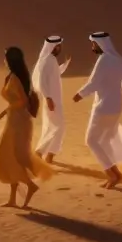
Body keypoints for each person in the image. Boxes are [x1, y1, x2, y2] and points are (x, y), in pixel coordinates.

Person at [0, 46, 56, 208]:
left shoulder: (16, 78)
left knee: (12, 156)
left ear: (11, 60)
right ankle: (12, 199)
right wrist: (4, 113)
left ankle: (31, 186)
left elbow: (23, 102)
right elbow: (16, 101)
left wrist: (8, 110)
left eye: (5, 57)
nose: (3, 60)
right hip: (14, 119)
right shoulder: (14, 76)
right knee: (9, 155)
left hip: (19, 122)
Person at [72, 31, 122, 189]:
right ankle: (117, 173)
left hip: (103, 107)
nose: (92, 47)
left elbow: (93, 83)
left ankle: (111, 175)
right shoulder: (118, 59)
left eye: (93, 44)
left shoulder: (103, 60)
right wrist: (115, 91)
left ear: (99, 44)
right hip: (116, 106)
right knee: (103, 141)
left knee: (91, 140)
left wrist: (79, 95)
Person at [32, 35, 72, 163]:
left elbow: (55, 74)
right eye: (58, 46)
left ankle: (50, 155)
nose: (60, 48)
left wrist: (65, 64)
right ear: (53, 47)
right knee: (57, 127)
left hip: (54, 99)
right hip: (51, 100)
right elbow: (43, 81)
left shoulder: (51, 60)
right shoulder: (47, 60)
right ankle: (39, 152)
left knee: (53, 127)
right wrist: (48, 98)